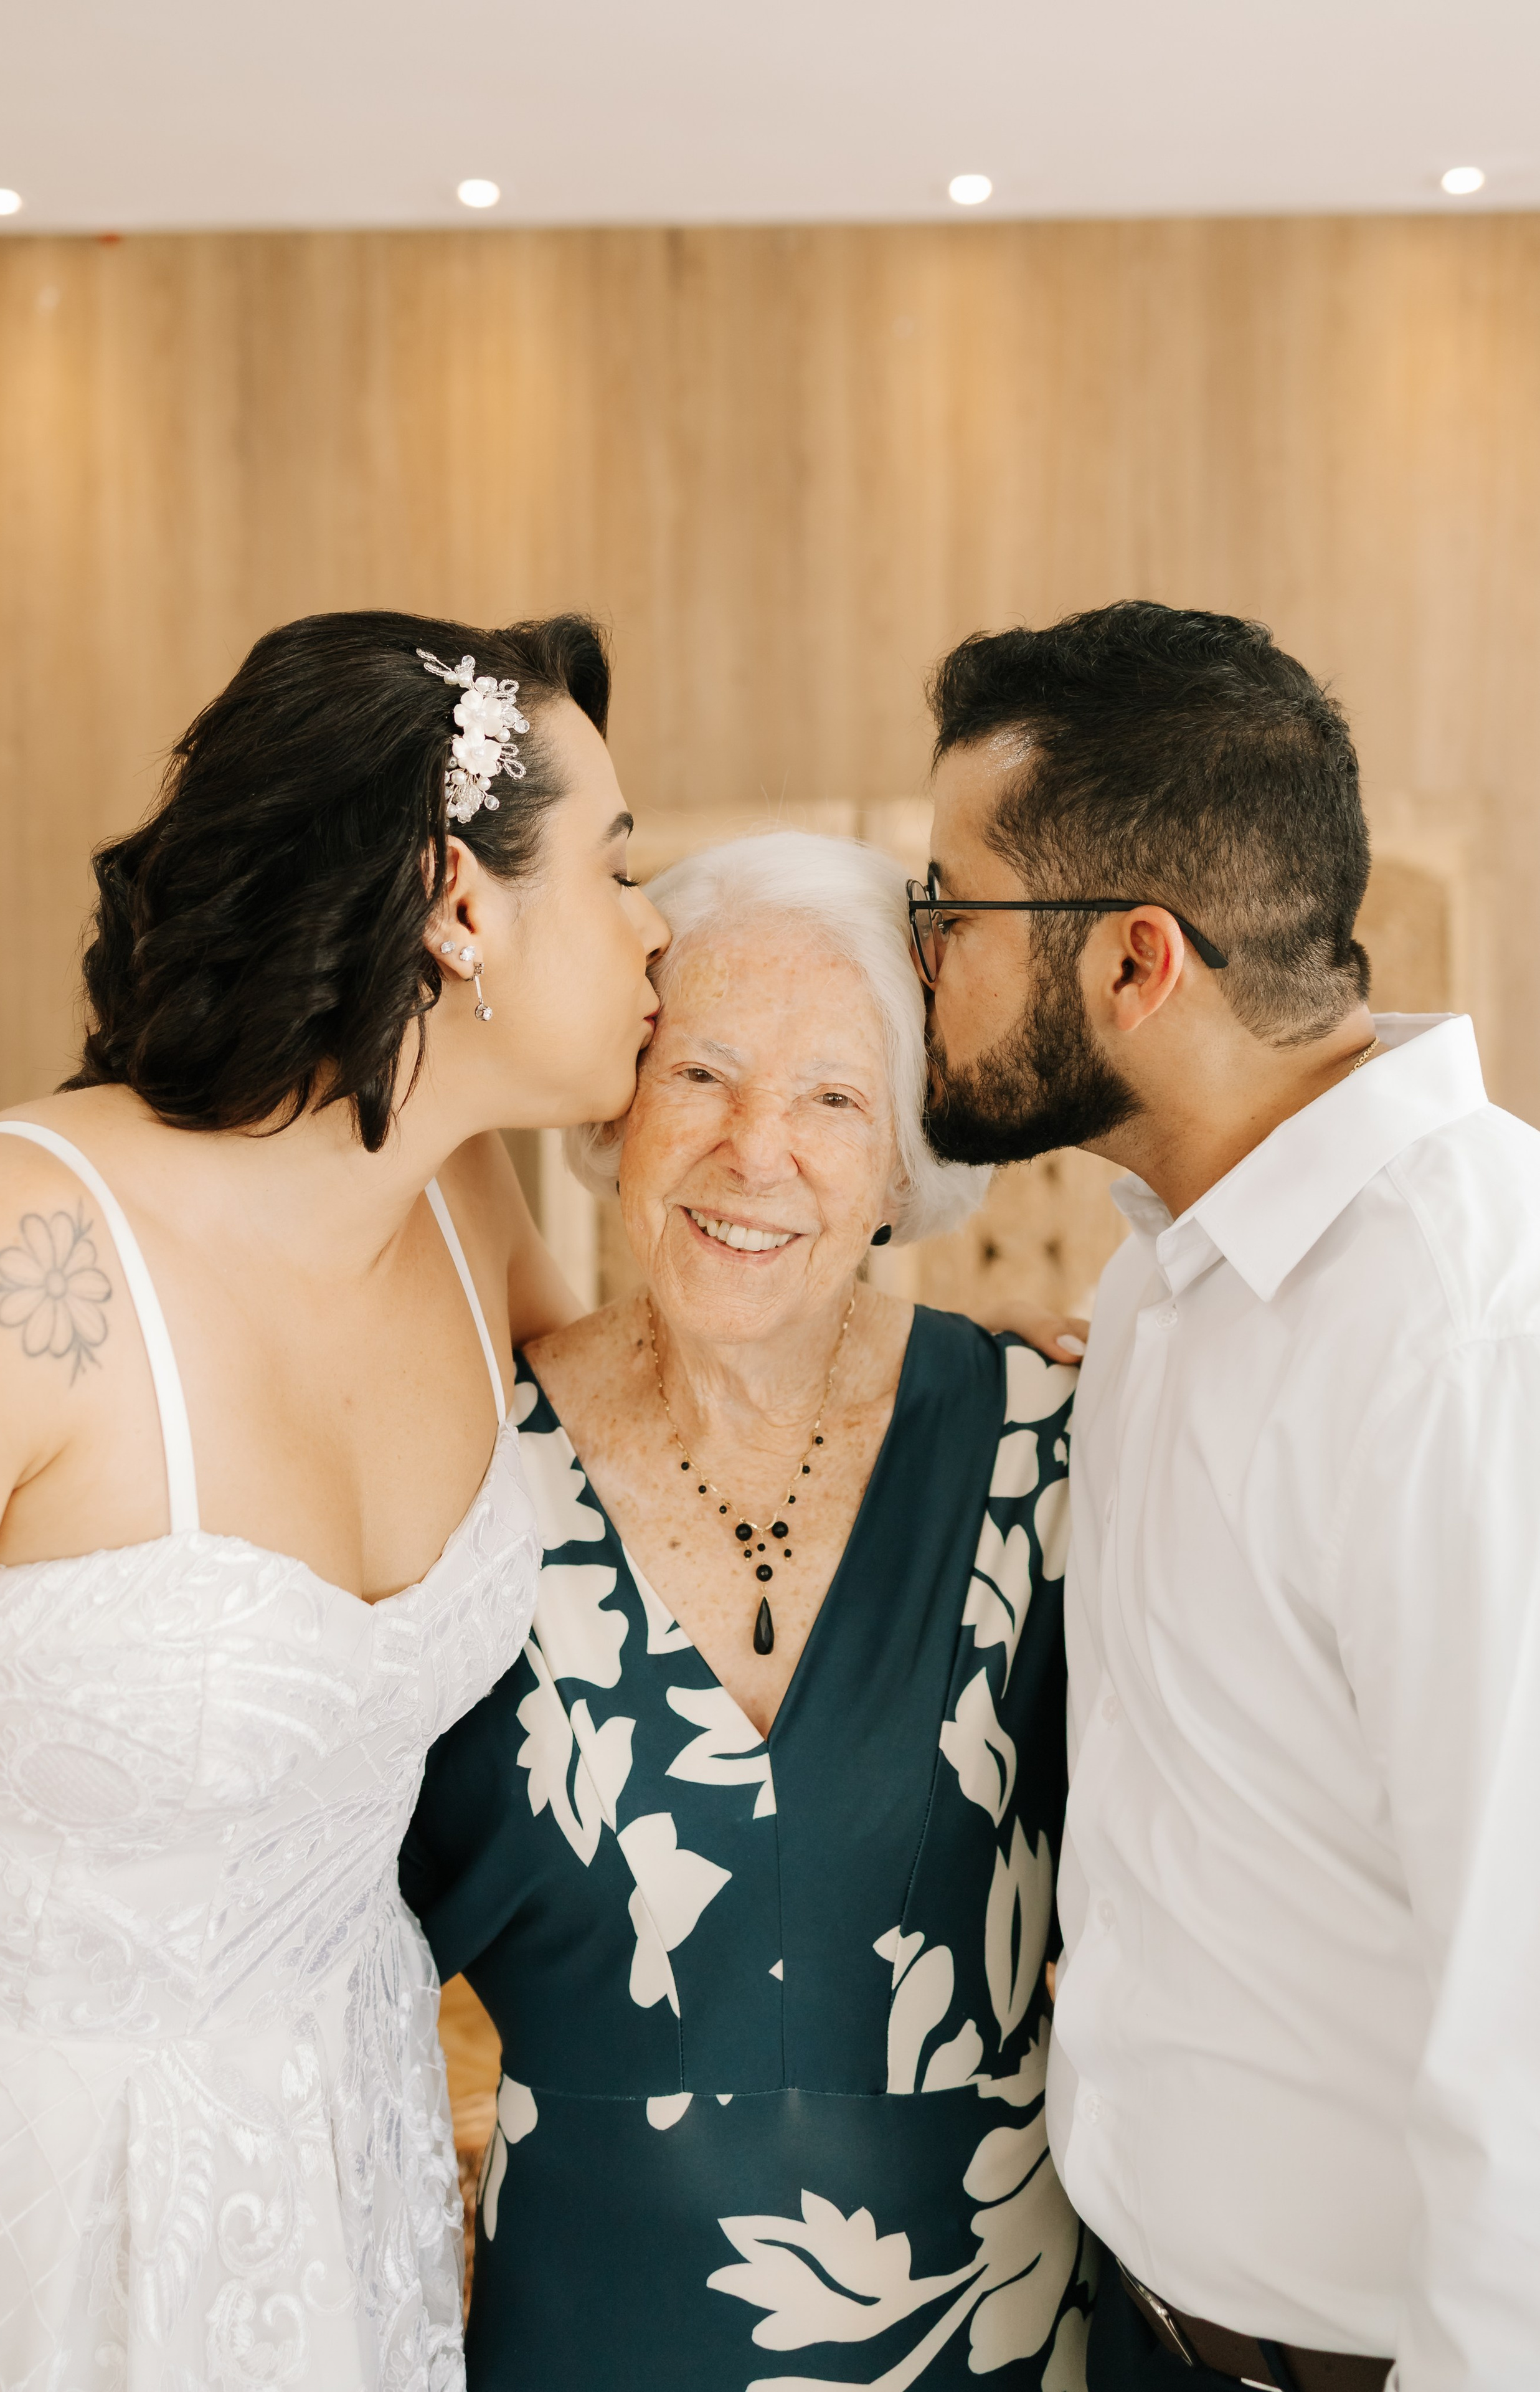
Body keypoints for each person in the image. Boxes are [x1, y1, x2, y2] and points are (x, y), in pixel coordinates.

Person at [0, 608, 666, 2390]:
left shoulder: (468, 1204)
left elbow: (667, 1454)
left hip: (350, 2161)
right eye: (621, 867)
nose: (660, 931)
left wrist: (949, 1380)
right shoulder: (13, 1262)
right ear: (458, 903)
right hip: (33, 2199)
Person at [917, 600, 1540, 2391]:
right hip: (1140, 2333)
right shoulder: (1168, 1278)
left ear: (1135, 963)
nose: (921, 962)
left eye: (949, 909)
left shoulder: (1473, 1341)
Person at [401, 829, 1097, 2391]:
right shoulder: (463, 1473)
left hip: (993, 2326)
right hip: (590, 2323)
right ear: (622, 1110)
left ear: (905, 1164)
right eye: (702, 1074)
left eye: (833, 1098)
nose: (754, 1149)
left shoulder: (1048, 1452)